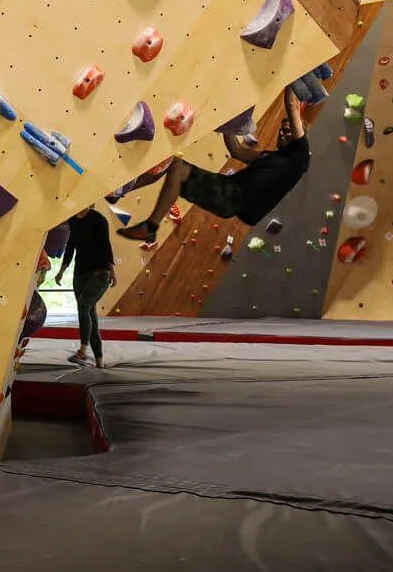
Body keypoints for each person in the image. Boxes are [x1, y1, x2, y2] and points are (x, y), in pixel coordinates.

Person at [116, 84, 314, 243]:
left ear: (299, 136)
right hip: (230, 194)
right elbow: (236, 151)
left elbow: (292, 107)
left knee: (176, 167)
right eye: (282, 129)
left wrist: (293, 79)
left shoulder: (300, 156)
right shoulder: (271, 159)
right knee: (173, 166)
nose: (283, 132)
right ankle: (124, 192)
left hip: (233, 198)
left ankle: (150, 225)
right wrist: (228, 124)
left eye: (289, 130)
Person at [55, 205, 115, 368]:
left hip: (99, 272)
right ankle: (99, 360)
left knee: (84, 305)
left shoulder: (98, 219)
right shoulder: (73, 220)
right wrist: (61, 271)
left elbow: (105, 245)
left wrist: (112, 272)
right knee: (91, 315)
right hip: (80, 272)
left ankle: (82, 351)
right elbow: (70, 247)